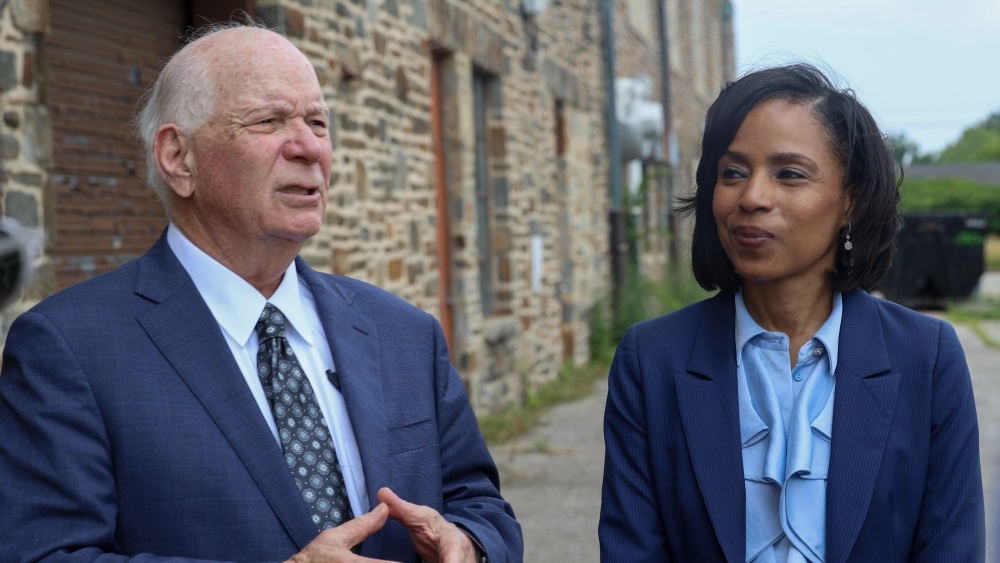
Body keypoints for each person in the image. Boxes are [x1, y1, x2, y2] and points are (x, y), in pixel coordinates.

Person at [0, 23, 521, 563]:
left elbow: (480, 505)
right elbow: (44, 554)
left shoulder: (405, 333)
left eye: (318, 122)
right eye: (269, 121)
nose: (309, 147)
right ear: (178, 157)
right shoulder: (69, 348)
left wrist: (469, 544)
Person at [599, 63, 985, 562]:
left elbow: (951, 548)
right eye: (732, 173)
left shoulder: (925, 358)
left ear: (851, 200)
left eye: (790, 174)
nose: (752, 197)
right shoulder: (651, 359)